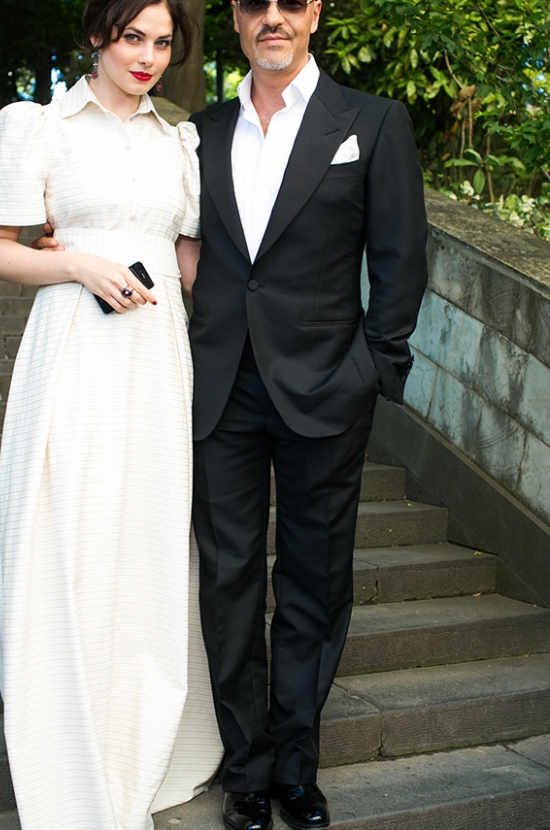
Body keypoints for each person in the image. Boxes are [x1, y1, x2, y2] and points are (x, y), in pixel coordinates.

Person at [0, 1, 223, 828]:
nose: (147, 56)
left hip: (158, 356)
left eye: (163, 42)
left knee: (148, 537)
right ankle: (65, 745)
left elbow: (192, 262)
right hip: (75, 347)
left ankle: (135, 735)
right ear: (96, 37)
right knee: (69, 531)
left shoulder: (179, 144)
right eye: (131, 38)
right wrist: (78, 262)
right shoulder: (38, 125)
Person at [187, 2, 428, 829]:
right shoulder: (200, 131)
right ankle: (246, 768)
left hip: (328, 386)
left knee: (315, 580)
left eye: (290, 2)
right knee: (227, 580)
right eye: (256, 4)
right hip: (220, 386)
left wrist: (373, 367)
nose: (273, 18)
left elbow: (400, 256)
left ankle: (295, 764)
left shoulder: (372, 123)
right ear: (235, 17)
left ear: (315, 13)